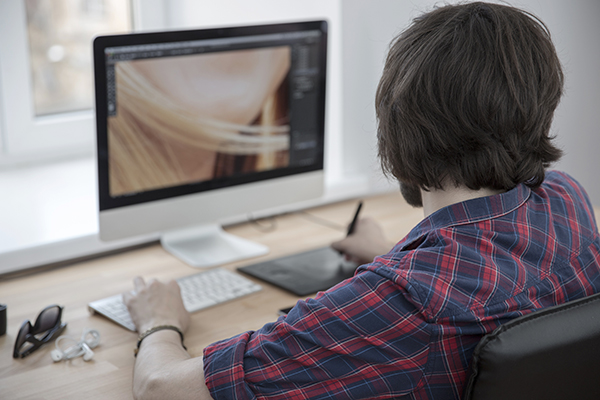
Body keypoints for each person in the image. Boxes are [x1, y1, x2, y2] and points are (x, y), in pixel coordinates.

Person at [123, 2, 600, 399]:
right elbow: (495, 276)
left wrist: (158, 322)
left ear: (398, 127)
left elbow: (161, 388)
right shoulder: (566, 199)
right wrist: (391, 255)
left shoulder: (401, 303)